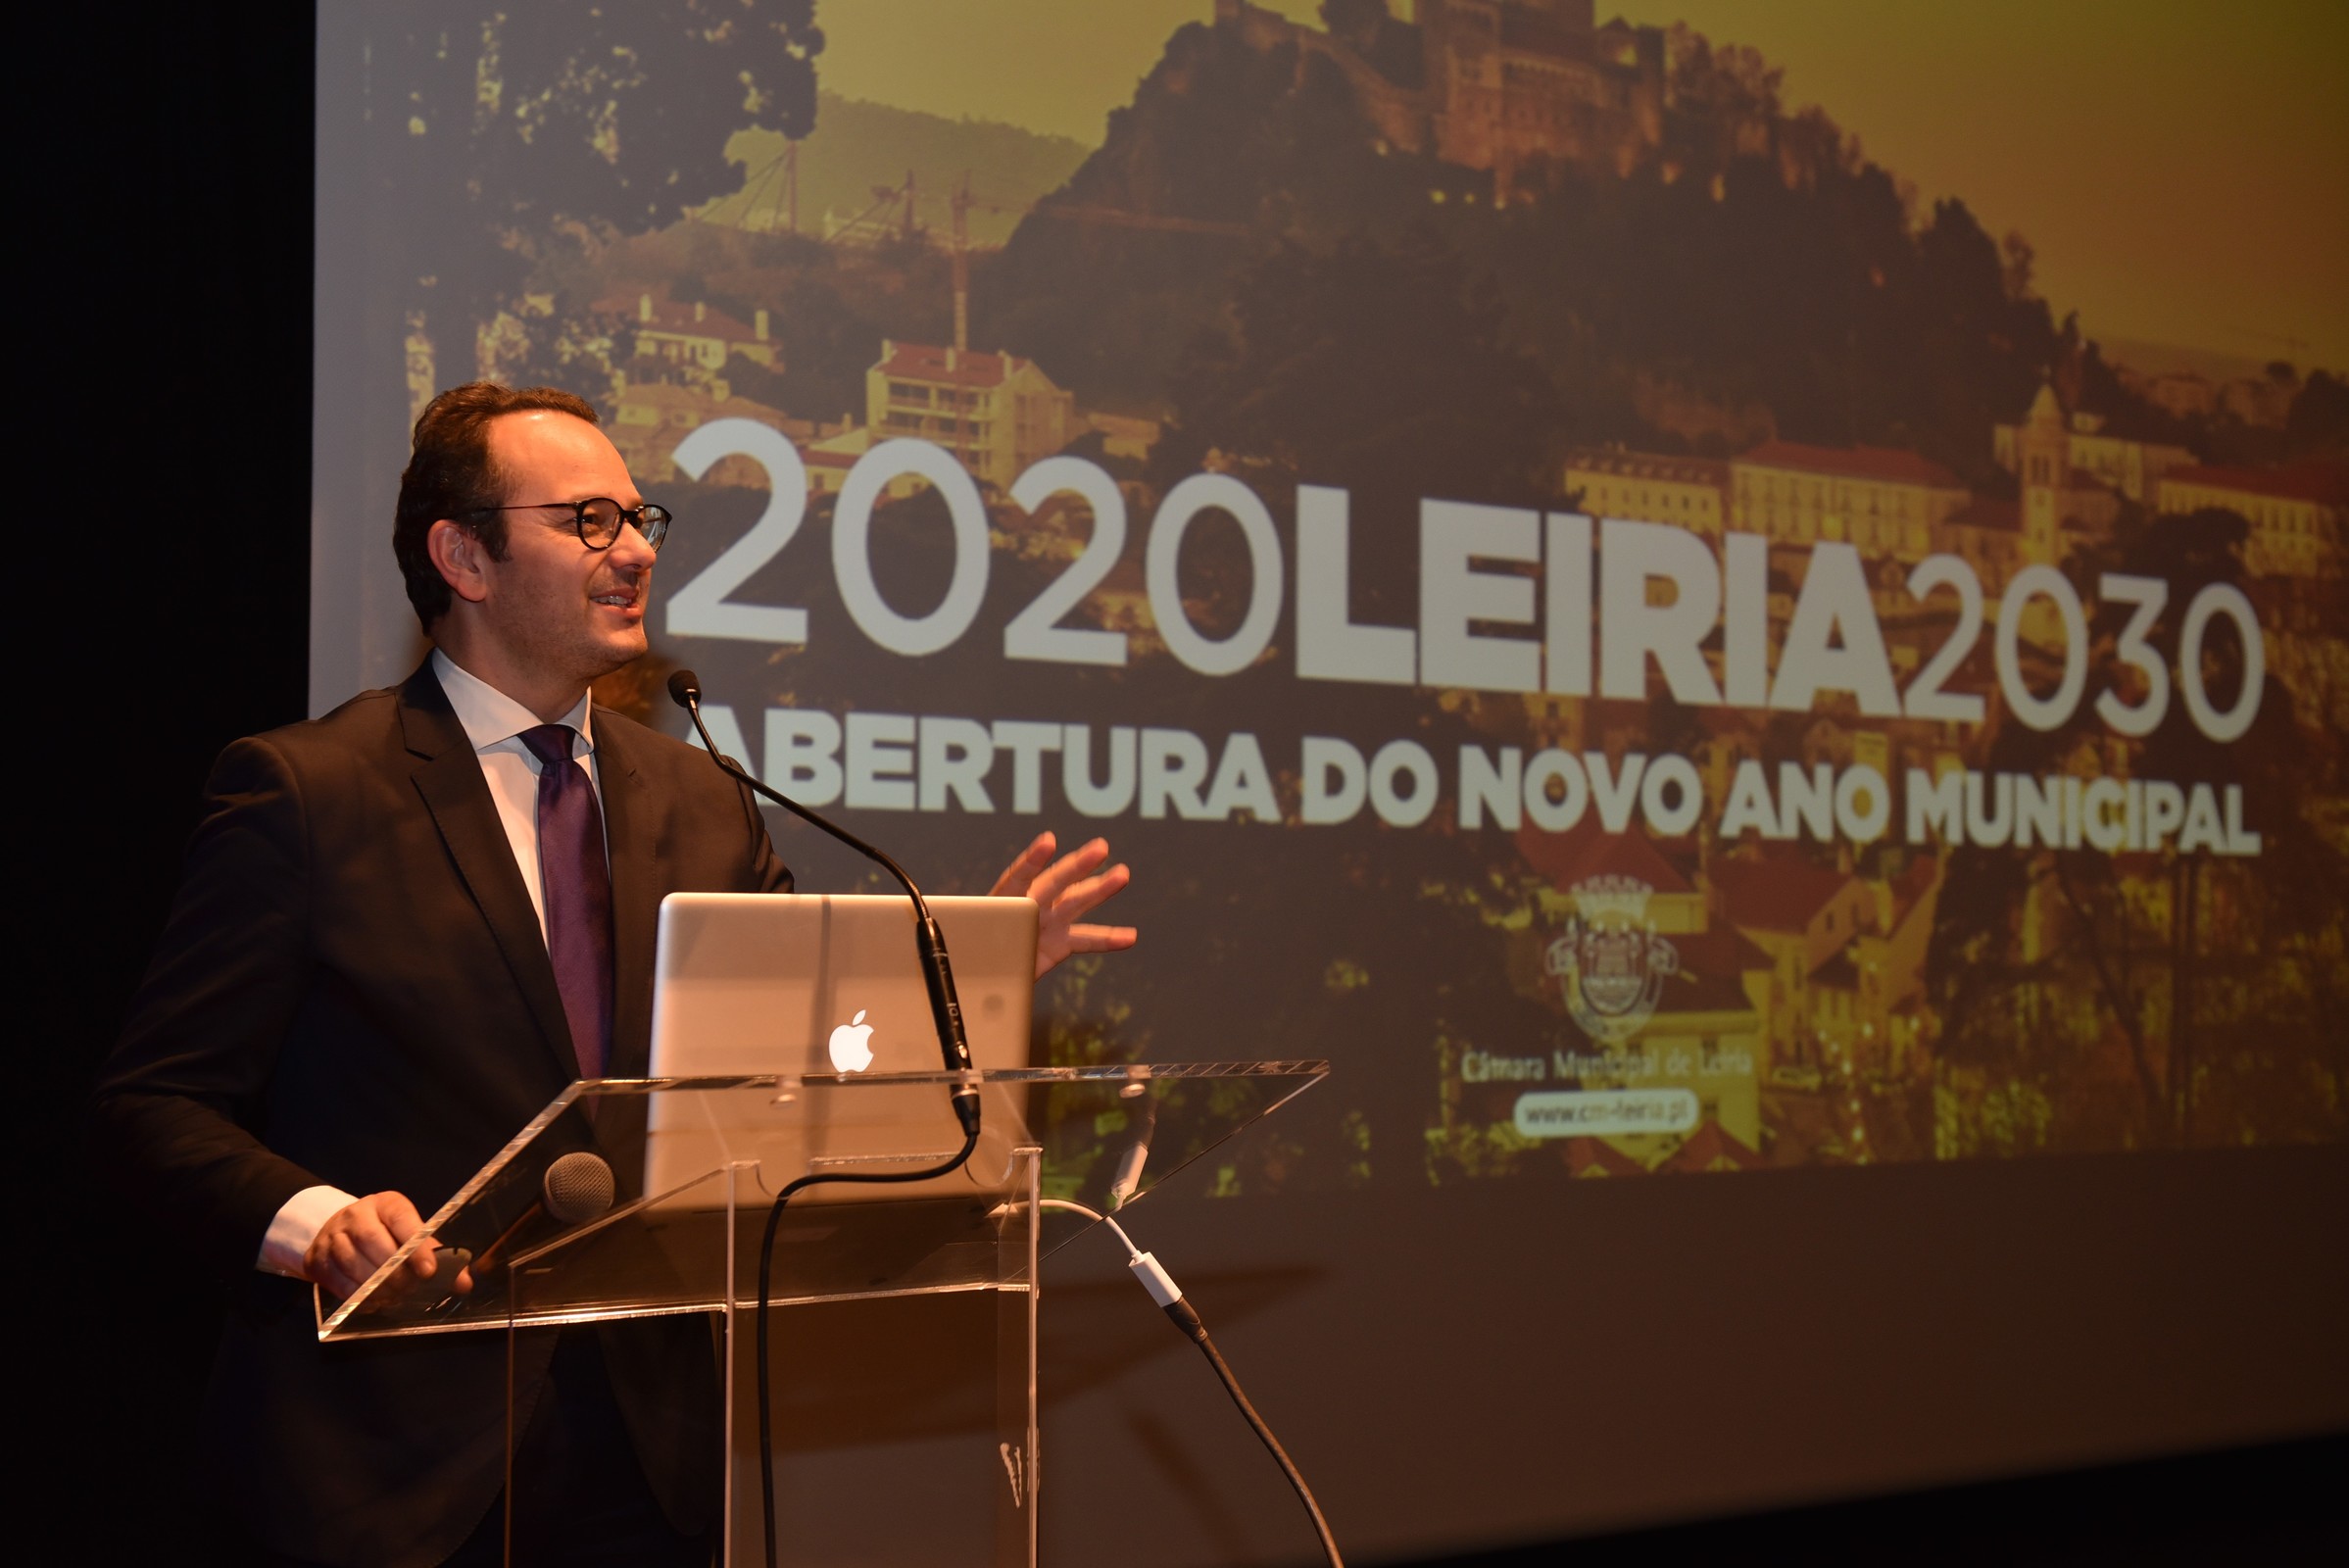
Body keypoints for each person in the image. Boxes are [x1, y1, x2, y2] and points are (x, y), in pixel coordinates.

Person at [92, 382, 1135, 1568]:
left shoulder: (703, 798)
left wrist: (963, 979)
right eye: (588, 520)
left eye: (640, 518)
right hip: (391, 1464)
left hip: (647, 1458)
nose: (635, 549)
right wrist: (318, 1221)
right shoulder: (309, 792)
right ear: (462, 556)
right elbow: (152, 1105)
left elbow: (793, 1060)